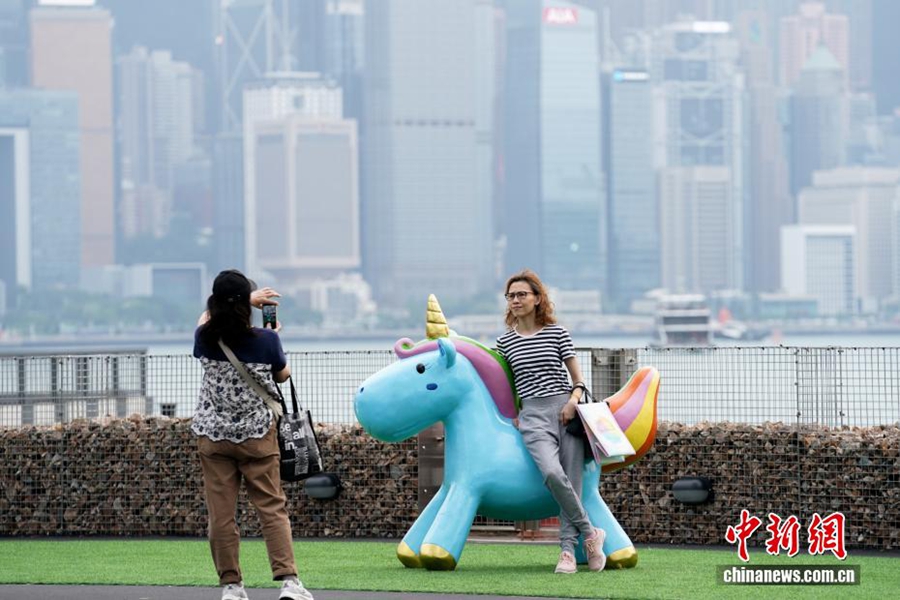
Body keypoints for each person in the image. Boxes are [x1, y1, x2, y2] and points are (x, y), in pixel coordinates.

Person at [192, 269, 314, 600]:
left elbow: (204, 319)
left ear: (215, 302)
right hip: (257, 437)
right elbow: (283, 376)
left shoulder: (205, 337)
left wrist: (240, 299)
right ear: (246, 305)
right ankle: (289, 582)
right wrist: (271, 332)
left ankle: (232, 587)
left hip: (213, 437)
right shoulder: (266, 340)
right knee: (271, 508)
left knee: (221, 515)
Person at [495, 269, 607, 574]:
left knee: (572, 479)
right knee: (553, 474)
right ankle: (591, 533)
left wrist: (572, 402)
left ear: (537, 298)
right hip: (532, 417)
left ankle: (567, 551)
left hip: (565, 412)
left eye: (521, 294)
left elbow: (578, 379)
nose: (515, 300)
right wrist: (513, 414)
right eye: (510, 296)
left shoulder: (557, 333)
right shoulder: (504, 343)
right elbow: (504, 385)